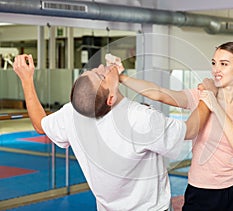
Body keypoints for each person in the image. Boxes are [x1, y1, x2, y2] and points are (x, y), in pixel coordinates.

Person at [13, 54, 210, 211]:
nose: (99, 67)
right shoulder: (140, 118)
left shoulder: (73, 113)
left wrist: (26, 80)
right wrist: (207, 96)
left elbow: (40, 124)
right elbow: (191, 129)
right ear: (110, 98)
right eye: (100, 75)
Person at [119, 41, 233, 211]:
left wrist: (214, 105)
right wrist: (121, 77)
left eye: (224, 64)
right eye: (214, 63)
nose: (216, 69)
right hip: (201, 190)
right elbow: (158, 93)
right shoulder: (199, 97)